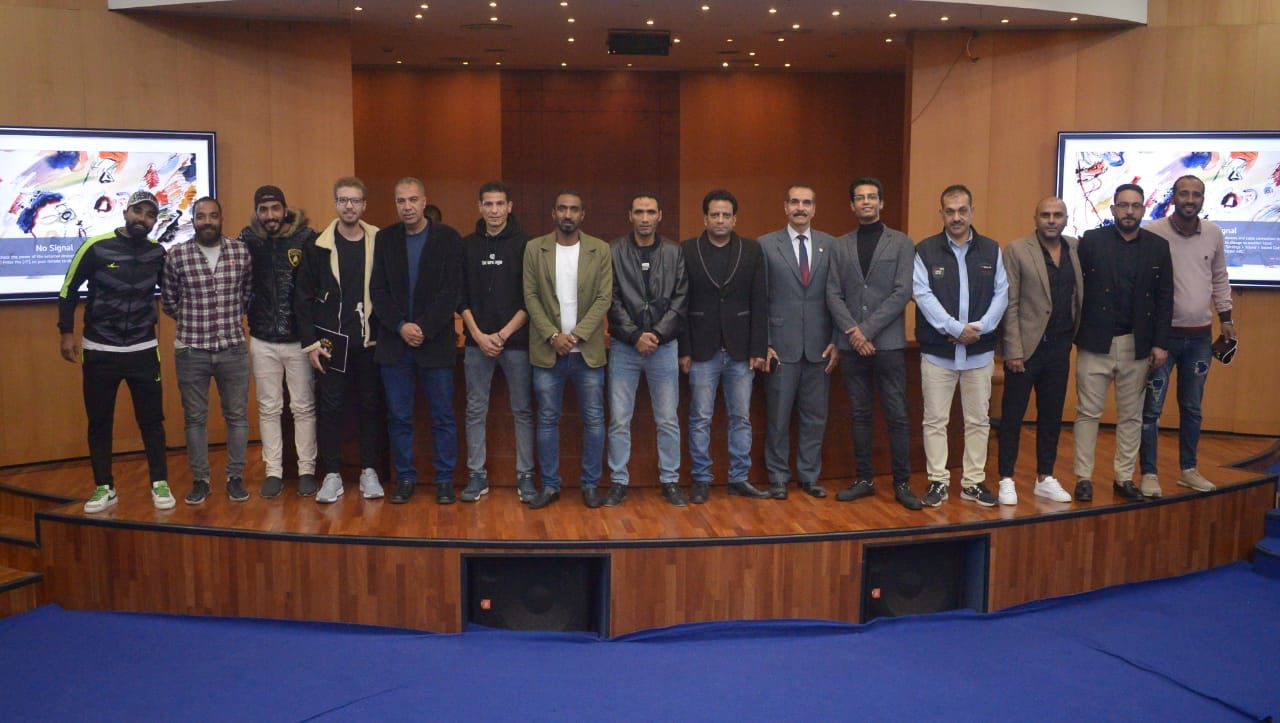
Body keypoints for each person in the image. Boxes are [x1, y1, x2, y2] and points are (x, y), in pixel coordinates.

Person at [58, 190, 171, 512]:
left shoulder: (158, 252)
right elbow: (68, 289)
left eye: (149, 215)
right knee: (99, 421)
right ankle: (104, 487)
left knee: (152, 420)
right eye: (138, 211)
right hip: (99, 350)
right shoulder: (95, 247)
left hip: (143, 349)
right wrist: (66, 333)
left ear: (154, 221)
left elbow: (172, 292)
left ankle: (159, 482)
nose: (142, 219)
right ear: (125, 212)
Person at [1073, 183, 1173, 502]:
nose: (1129, 211)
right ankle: (1083, 478)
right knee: (1088, 413)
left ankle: (1123, 478)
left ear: (1143, 209)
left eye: (1135, 206)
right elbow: (1076, 289)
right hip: (1095, 341)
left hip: (1137, 343)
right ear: (1114, 208)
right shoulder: (1091, 241)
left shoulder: (1158, 247)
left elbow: (1165, 299)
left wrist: (1160, 343)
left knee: (1131, 416)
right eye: (1123, 205)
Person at [826, 177, 921, 509]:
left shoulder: (902, 243)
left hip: (888, 344)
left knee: (897, 415)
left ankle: (902, 483)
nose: (866, 202)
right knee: (859, 414)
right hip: (852, 345)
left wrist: (865, 331)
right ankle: (864, 479)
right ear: (852, 205)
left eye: (871, 197)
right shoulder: (840, 245)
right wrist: (853, 333)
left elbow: (902, 292)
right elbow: (832, 293)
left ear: (882, 203)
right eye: (859, 198)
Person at [912, 184, 1009, 507]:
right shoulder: (925, 250)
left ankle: (973, 482)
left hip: (979, 353)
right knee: (935, 421)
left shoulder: (991, 249)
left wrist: (978, 329)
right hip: (938, 353)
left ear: (972, 211)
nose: (956, 217)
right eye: (950, 211)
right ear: (941, 213)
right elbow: (922, 295)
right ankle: (938, 481)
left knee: (978, 421)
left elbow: (1002, 294)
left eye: (962, 210)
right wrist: (955, 328)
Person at [369, 177, 463, 505]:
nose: (407, 206)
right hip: (395, 345)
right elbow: (378, 291)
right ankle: (406, 478)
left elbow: (451, 291)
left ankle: (444, 480)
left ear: (424, 202)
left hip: (434, 343)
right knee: (399, 417)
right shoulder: (385, 239)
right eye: (401, 201)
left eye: (412, 200)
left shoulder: (448, 238)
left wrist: (421, 327)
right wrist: (400, 326)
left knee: (443, 417)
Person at [1139, 175, 1233, 496]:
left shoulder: (1214, 233)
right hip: (1162, 340)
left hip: (1200, 340)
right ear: (1173, 197)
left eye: (1196, 194)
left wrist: (1226, 317)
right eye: (1184, 194)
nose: (1190, 200)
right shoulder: (1153, 232)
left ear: (1202, 199)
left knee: (1192, 408)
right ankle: (1149, 473)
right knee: (1151, 410)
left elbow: (1219, 278)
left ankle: (1188, 470)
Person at [294, 176, 384, 504]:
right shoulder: (317, 246)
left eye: (355, 200)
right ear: (335, 204)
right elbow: (302, 298)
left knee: (370, 407)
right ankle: (332, 474)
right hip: (331, 344)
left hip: (370, 342)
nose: (349, 206)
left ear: (364, 205)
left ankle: (369, 471)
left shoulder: (379, 241)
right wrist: (311, 344)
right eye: (343, 200)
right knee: (330, 409)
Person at [522, 190, 612, 510]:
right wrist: (552, 335)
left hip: (587, 353)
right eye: (562, 209)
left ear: (583, 214)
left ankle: (590, 485)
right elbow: (530, 296)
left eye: (574, 209)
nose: (568, 214)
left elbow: (604, 297)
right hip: (548, 353)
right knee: (547, 420)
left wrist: (576, 335)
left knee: (594, 420)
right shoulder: (535, 248)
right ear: (554, 213)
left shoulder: (600, 249)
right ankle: (550, 486)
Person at [161, 196, 253, 505]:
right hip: (192, 350)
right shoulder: (176, 256)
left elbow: (247, 294)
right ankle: (201, 480)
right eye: (201, 216)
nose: (207, 222)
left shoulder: (240, 252)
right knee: (195, 419)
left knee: (237, 417)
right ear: (193, 220)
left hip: (232, 348)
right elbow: (169, 302)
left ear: (221, 219)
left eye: (213, 216)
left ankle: (235, 477)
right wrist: (194, 321)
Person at [680, 190, 770, 503]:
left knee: (741, 417)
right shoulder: (687, 250)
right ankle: (701, 478)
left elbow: (760, 300)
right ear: (704, 218)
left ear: (735, 219)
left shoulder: (752, 250)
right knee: (700, 418)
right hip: (701, 349)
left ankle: (739, 477)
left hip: (741, 350)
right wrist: (684, 349)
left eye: (726, 215)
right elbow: (681, 303)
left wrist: (759, 347)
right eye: (714, 215)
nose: (720, 220)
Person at [996, 197, 1082, 505]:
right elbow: (1010, 303)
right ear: (1036, 218)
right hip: (1025, 350)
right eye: (1045, 215)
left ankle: (1045, 477)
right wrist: (1013, 350)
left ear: (1066, 219)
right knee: (1012, 417)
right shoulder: (1017, 250)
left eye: (1058, 215)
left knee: (1052, 416)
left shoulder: (1075, 248)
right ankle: (1006, 478)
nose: (1051, 220)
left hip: (1060, 347)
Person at [606, 193, 688, 506]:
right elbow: (610, 298)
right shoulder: (614, 250)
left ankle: (670, 480)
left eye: (650, 212)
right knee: (619, 419)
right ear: (630, 215)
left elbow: (681, 299)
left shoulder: (674, 252)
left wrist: (656, 334)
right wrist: (634, 335)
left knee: (667, 419)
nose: (644, 218)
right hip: (624, 348)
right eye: (639, 212)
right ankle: (618, 481)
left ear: (659, 215)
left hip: (663, 348)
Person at [759, 185, 838, 499]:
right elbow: (759, 298)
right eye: (795, 202)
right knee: (778, 418)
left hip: (820, 346)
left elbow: (838, 296)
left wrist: (836, 339)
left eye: (806, 203)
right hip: (780, 346)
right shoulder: (766, 245)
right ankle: (778, 476)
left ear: (814, 208)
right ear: (785, 207)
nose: (800, 208)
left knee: (815, 418)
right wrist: (764, 341)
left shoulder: (831, 245)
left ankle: (809, 476)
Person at [458, 181, 535, 503]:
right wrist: (478, 335)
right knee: (475, 410)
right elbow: (460, 296)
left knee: (523, 410)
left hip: (516, 343)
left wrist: (502, 335)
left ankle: (526, 476)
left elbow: (531, 299)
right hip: (476, 343)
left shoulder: (526, 245)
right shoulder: (467, 245)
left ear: (509, 207)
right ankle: (476, 475)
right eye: (488, 204)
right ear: (479, 207)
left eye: (499, 204)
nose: (493, 210)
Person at [240, 185, 318, 498]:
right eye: (263, 209)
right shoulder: (248, 240)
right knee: (269, 408)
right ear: (257, 213)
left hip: (299, 339)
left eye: (275, 208)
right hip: (262, 338)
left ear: (285, 210)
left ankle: (307, 470)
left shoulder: (306, 238)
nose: (270, 215)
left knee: (303, 407)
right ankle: (273, 471)